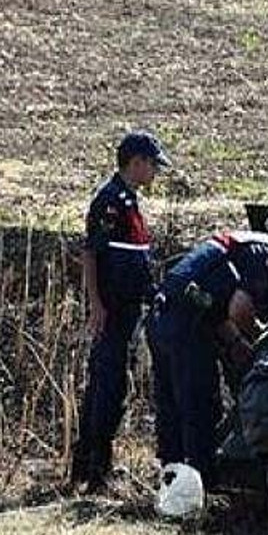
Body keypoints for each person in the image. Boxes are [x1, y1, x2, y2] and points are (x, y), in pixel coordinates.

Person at [146, 214, 268, 492]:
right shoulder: (263, 254)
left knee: (172, 407)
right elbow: (239, 309)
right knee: (200, 404)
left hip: (162, 318)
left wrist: (236, 342)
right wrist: (266, 339)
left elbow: (216, 305)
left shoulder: (243, 243)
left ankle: (171, 484)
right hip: (187, 326)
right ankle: (204, 485)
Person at [70, 130, 172, 492]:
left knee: (109, 386)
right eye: (152, 165)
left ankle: (86, 465)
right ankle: (95, 470)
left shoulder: (130, 201)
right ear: (137, 162)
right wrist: (96, 304)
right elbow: (91, 253)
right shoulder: (110, 201)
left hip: (127, 310)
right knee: (107, 388)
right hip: (112, 310)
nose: (155, 173)